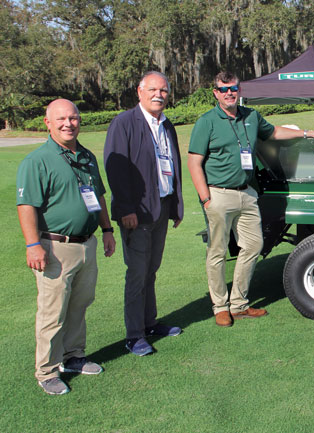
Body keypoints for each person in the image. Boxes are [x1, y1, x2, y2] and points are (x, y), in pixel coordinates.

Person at [188, 71, 314, 327]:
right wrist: (206, 198)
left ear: (239, 90)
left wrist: (309, 133)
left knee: (253, 246)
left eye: (233, 88)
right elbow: (194, 162)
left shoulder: (251, 116)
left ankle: (239, 304)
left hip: (248, 193)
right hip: (218, 194)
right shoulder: (206, 121)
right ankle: (220, 306)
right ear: (215, 93)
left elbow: (274, 132)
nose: (229, 93)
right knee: (217, 252)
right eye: (223, 89)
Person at [17, 99, 116, 395]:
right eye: (61, 119)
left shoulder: (86, 156)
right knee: (53, 311)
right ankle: (47, 371)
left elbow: (96, 197)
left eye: (73, 118)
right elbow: (27, 206)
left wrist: (108, 229)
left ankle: (73, 357)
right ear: (47, 122)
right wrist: (33, 244)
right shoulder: (38, 160)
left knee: (79, 304)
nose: (68, 124)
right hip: (54, 246)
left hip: (87, 244)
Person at [104, 71, 184, 356]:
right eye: (152, 90)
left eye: (163, 90)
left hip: (161, 207)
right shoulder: (124, 123)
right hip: (136, 213)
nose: (158, 95)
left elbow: (172, 165)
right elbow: (115, 170)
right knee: (137, 273)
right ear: (139, 92)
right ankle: (134, 335)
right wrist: (126, 208)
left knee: (151, 270)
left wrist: (175, 204)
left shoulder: (166, 125)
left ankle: (150, 323)